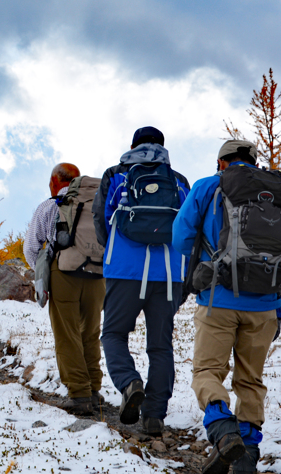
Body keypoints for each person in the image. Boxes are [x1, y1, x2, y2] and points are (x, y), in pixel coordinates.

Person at [172, 140, 281, 474]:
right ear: (253, 162)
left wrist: (200, 264)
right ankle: (247, 455)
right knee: (251, 379)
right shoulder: (277, 196)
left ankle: (223, 430)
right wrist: (280, 306)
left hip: (218, 299)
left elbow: (180, 235)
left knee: (207, 371)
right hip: (266, 304)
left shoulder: (208, 187)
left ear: (221, 162)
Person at [92, 126, 189, 436]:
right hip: (169, 274)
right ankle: (154, 416)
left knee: (113, 334)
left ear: (133, 145)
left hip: (125, 271)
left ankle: (129, 382)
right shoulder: (178, 180)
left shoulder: (115, 174)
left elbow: (101, 220)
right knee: (161, 346)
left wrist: (116, 252)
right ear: (163, 146)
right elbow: (189, 228)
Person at [24, 163, 105, 416]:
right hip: (97, 274)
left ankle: (79, 395)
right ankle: (93, 390)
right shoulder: (98, 203)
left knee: (67, 335)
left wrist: (44, 269)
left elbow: (30, 248)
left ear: (54, 181)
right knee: (90, 333)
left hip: (64, 272)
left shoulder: (50, 206)